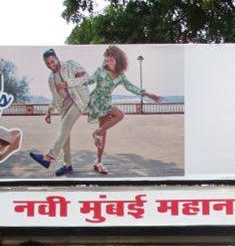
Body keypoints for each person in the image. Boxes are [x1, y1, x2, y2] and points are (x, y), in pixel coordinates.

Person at [82, 45, 161, 175]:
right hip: (96, 101)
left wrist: (148, 94)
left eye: (111, 60)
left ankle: (98, 162)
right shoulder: (100, 71)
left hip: (106, 102)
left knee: (102, 135)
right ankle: (98, 133)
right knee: (119, 115)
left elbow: (131, 87)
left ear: (118, 60)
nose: (108, 63)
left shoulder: (120, 75)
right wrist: (77, 81)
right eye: (107, 60)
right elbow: (89, 81)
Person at [29, 49, 90, 177]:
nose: (51, 65)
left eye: (52, 61)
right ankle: (67, 165)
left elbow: (86, 77)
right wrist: (49, 111)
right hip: (64, 106)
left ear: (57, 58)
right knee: (65, 136)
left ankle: (48, 158)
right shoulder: (51, 79)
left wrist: (67, 84)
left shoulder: (70, 65)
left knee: (64, 127)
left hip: (79, 101)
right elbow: (55, 98)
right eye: (48, 64)